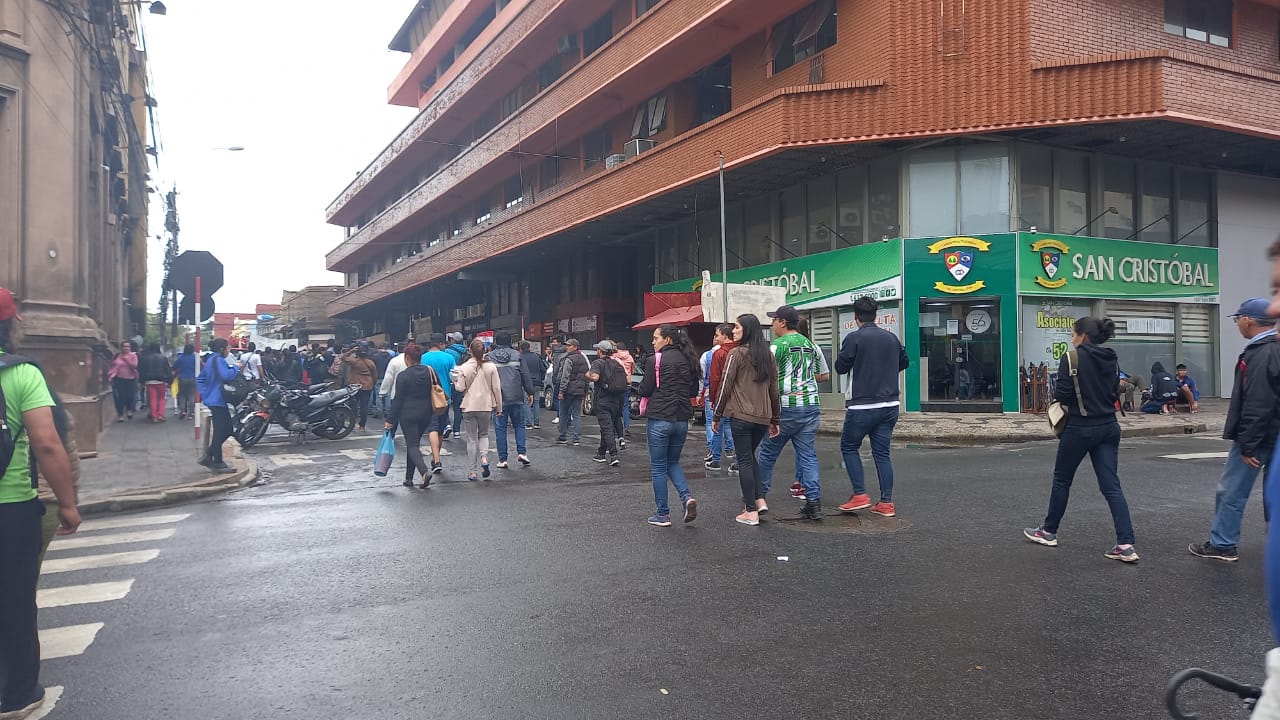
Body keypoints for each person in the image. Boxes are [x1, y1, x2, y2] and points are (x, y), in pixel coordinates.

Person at [0, 286, 81, 720]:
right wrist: (67, 504)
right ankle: (18, 697)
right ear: (11, 324)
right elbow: (47, 444)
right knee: (13, 599)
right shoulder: (21, 373)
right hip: (10, 505)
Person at [1023, 316, 1138, 563]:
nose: (1072, 339)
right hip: (1109, 426)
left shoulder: (1071, 358)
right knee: (1111, 486)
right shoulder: (1111, 357)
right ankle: (1126, 544)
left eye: (1073, 334)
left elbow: (1063, 392)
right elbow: (1114, 390)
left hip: (1080, 427)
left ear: (1083, 336)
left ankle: (1049, 531)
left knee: (1062, 480)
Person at [1189, 299, 1280, 562]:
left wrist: (1248, 444)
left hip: (1259, 435)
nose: (1237, 323)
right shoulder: (1272, 348)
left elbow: (1258, 401)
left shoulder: (1261, 353)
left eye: (1237, 318)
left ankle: (1223, 544)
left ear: (1248, 320)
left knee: (1231, 490)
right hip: (1273, 433)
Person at [834, 296, 911, 518]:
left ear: (856, 316)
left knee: (849, 447)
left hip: (862, 405)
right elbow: (903, 362)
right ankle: (886, 503)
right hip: (890, 405)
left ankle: (859, 494)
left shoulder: (854, 338)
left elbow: (840, 367)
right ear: (875, 315)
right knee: (882, 453)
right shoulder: (891, 338)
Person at [756, 305, 829, 520]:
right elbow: (819, 374)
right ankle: (813, 502)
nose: (772, 324)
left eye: (774, 320)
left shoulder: (777, 346)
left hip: (785, 405)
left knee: (768, 454)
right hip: (810, 405)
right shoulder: (811, 345)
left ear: (783, 322)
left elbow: (765, 376)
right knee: (807, 455)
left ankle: (757, 499)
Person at [713, 314, 780, 526]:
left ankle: (750, 510)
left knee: (743, 460)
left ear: (747, 330)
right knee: (749, 456)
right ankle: (759, 499)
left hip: (740, 416)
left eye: (737, 327)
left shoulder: (737, 354)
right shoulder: (767, 355)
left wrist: (717, 414)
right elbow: (774, 390)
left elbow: (725, 385)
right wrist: (775, 419)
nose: (734, 331)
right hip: (763, 417)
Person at [637, 324, 699, 527]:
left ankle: (663, 513)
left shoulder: (654, 360)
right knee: (673, 462)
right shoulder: (689, 359)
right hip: (681, 419)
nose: (653, 342)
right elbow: (693, 391)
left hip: (659, 418)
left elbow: (645, 389)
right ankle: (686, 496)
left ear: (668, 339)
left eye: (656, 338)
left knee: (658, 466)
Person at [385, 344, 440, 489]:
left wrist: (390, 420)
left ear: (407, 358)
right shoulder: (430, 371)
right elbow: (437, 387)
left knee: (412, 445)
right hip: (426, 412)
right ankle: (409, 478)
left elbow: (398, 400)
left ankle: (423, 472)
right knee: (413, 444)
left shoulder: (403, 376)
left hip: (407, 414)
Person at [451, 339, 502, 482]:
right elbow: (496, 388)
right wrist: (499, 406)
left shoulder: (463, 368)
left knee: (471, 439)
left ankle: (473, 471)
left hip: (468, 406)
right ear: (484, 351)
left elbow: (459, 389)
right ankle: (484, 457)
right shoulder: (491, 367)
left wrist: (454, 380)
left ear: (470, 350)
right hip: (486, 405)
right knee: (484, 435)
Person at [195, 338, 241, 474]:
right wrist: (236, 368)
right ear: (222, 349)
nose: (229, 350)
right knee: (225, 430)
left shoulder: (210, 360)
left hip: (215, 400)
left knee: (222, 430)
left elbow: (201, 379)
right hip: (218, 400)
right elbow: (226, 375)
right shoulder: (218, 360)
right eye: (228, 348)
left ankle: (212, 458)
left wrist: (206, 394)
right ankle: (215, 460)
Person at [489, 332, 534, 469]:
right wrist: (530, 392)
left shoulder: (489, 357)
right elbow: (525, 375)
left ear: (496, 342)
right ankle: (522, 452)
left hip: (499, 398)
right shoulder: (517, 355)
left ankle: (503, 459)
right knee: (519, 425)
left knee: (500, 428)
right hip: (516, 396)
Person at [700, 324, 737, 471]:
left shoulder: (715, 354)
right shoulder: (739, 351)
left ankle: (715, 458)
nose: (715, 338)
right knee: (732, 427)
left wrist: (712, 398)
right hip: (735, 396)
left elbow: (713, 378)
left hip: (717, 395)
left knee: (715, 426)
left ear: (725, 336)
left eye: (717, 335)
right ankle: (734, 455)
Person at [420, 334, 458, 476]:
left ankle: (436, 459)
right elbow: (455, 377)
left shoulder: (423, 358)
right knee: (440, 430)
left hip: (427, 399)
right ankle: (436, 458)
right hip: (444, 399)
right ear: (441, 344)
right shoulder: (448, 358)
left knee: (432, 429)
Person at [587, 340, 627, 466]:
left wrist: (587, 374)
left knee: (607, 428)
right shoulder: (617, 364)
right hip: (615, 401)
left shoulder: (597, 363)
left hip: (602, 401)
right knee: (606, 427)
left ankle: (613, 455)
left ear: (600, 351)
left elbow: (595, 377)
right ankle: (601, 453)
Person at [557, 338, 590, 445]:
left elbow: (565, 376)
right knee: (576, 414)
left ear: (575, 347)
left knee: (564, 413)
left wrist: (561, 391)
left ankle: (562, 436)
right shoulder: (583, 359)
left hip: (569, 390)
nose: (567, 347)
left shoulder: (569, 359)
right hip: (579, 391)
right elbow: (586, 377)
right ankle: (576, 438)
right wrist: (585, 390)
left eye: (569, 345)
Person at [342, 344, 378, 432]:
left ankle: (352, 424)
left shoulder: (354, 362)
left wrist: (351, 351)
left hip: (355, 386)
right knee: (364, 407)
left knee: (353, 405)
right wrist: (372, 384)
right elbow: (375, 375)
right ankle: (362, 426)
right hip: (367, 386)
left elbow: (343, 357)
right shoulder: (370, 363)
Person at [137, 343, 172, 423]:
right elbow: (168, 370)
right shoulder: (163, 358)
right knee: (162, 398)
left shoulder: (145, 358)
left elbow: (142, 370)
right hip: (161, 380)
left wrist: (141, 381)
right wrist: (170, 381)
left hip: (150, 381)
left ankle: (154, 416)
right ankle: (160, 414)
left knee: (152, 399)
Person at [380, 345, 409, 437]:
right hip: (411, 395)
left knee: (394, 416)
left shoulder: (394, 361)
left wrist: (383, 391)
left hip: (395, 393)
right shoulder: (415, 360)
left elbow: (388, 377)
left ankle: (391, 435)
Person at [107, 340, 138, 422]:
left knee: (130, 396)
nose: (126, 348)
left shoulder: (133, 355)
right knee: (120, 397)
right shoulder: (117, 355)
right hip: (119, 378)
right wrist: (111, 376)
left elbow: (135, 366)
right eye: (124, 346)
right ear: (121, 347)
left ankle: (129, 410)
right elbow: (113, 366)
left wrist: (127, 360)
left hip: (131, 379)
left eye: (128, 346)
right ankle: (120, 415)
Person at [445, 332, 469, 437]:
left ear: (453, 340)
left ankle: (447, 425)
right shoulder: (466, 351)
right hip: (461, 380)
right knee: (458, 407)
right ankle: (457, 431)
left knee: (445, 404)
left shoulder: (447, 351)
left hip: (449, 380)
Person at [520, 341, 547, 429]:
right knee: (536, 402)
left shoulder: (520, 358)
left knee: (526, 402)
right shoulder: (536, 357)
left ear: (521, 349)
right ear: (529, 348)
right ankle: (536, 423)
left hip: (525, 383)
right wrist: (540, 378)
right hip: (537, 382)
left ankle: (528, 423)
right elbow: (543, 369)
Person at [614, 340, 636, 438]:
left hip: (617, 384)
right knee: (625, 406)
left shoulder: (615, 357)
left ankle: (615, 428)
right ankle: (626, 427)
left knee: (615, 406)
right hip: (627, 383)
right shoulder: (630, 357)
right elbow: (633, 370)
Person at [173, 344, 197, 420]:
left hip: (182, 378)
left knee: (182, 395)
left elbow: (174, 367)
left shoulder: (180, 358)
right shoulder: (195, 358)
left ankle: (183, 410)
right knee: (192, 396)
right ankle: (190, 413)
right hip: (193, 378)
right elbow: (202, 367)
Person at [370, 343, 394, 418]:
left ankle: (379, 412)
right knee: (387, 395)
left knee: (378, 395)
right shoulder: (390, 357)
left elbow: (373, 368)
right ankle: (387, 411)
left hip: (378, 378)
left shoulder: (375, 357)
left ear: (379, 347)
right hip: (387, 377)